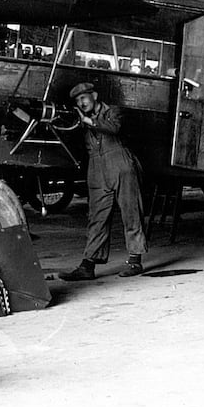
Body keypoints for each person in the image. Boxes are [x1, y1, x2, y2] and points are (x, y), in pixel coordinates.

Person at [57, 82, 147, 279]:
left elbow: (114, 128)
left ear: (94, 95)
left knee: (131, 212)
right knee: (97, 217)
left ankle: (134, 261)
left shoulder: (114, 112)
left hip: (121, 164)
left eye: (84, 98)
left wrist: (88, 122)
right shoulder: (79, 119)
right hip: (96, 168)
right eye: (77, 101)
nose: (81, 103)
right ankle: (87, 266)